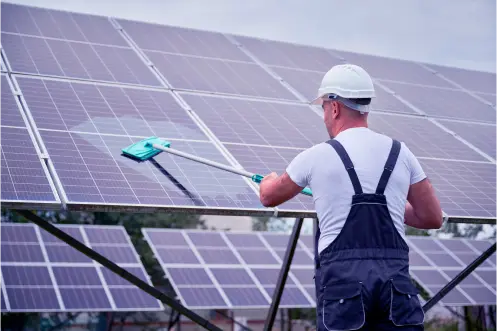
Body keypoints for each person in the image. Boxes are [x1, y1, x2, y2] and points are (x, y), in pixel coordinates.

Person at [259, 64, 443, 330]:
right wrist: (391, 204)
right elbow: (431, 217)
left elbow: (268, 197)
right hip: (396, 290)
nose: (323, 115)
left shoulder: (316, 156)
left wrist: (267, 180)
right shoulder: (401, 153)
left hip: (343, 292)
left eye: (323, 107)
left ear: (334, 107)